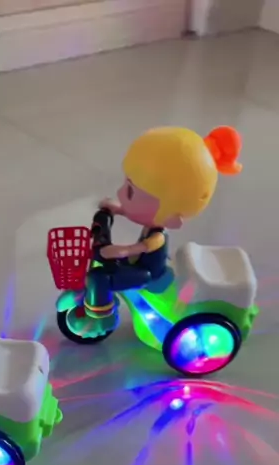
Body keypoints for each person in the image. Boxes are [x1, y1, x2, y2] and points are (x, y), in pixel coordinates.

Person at [66, 125, 243, 337]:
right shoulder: (154, 222)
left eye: (130, 192)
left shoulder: (157, 236)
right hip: (138, 264)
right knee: (106, 268)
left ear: (171, 218)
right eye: (126, 184)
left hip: (149, 275)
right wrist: (117, 209)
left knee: (99, 277)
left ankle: (101, 320)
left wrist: (121, 250)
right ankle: (99, 306)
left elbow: (141, 247)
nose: (120, 193)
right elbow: (138, 213)